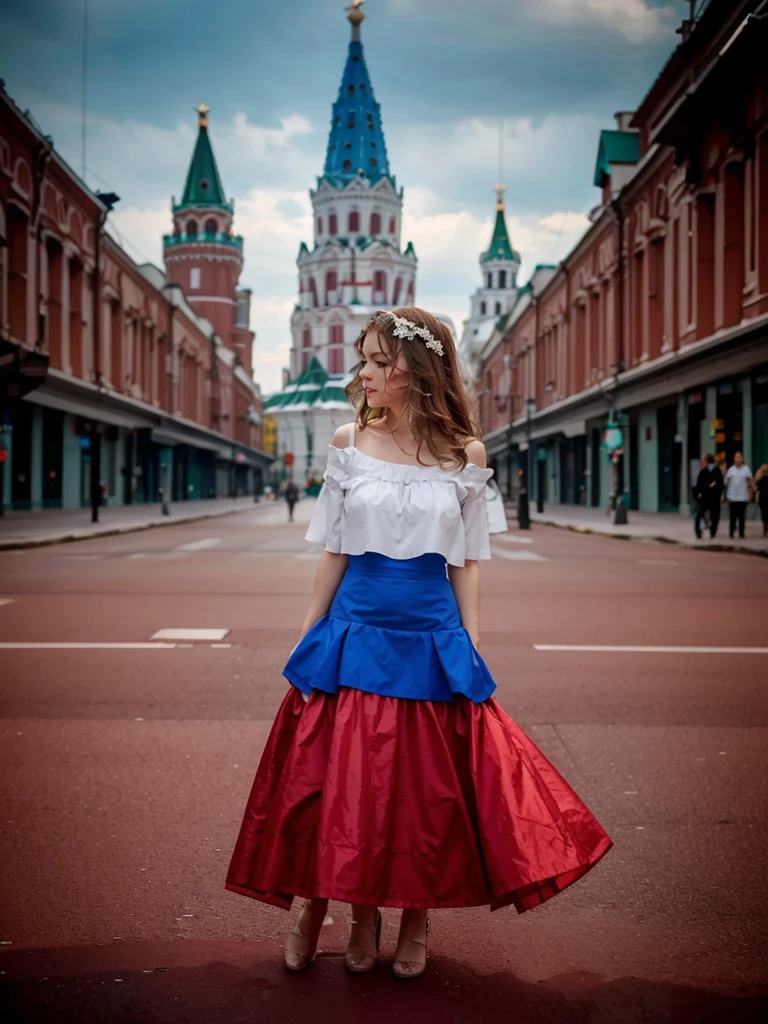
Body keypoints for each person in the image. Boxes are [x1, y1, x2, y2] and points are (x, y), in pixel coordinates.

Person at [224, 307, 613, 981]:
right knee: (337, 785)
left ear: (418, 370)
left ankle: (414, 916)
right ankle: (342, 910)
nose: (364, 374)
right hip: (354, 629)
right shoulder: (348, 442)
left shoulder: (466, 454)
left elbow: (466, 559)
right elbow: (335, 550)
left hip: (429, 632)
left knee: (420, 792)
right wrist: (312, 631)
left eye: (379, 362)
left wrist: (471, 639)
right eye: (363, 361)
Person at [724, 451, 754, 539]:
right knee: (732, 516)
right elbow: (726, 481)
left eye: (739, 457)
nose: (738, 459)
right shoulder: (731, 469)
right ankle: (731, 532)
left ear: (742, 459)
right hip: (732, 497)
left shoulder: (746, 469)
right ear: (734, 459)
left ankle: (741, 532)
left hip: (742, 497)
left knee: (741, 517)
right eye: (736, 458)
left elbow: (750, 480)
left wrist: (753, 489)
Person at [693, 454, 723, 539]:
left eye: (704, 460)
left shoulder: (709, 470)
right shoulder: (712, 470)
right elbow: (720, 483)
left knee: (700, 515)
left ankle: (700, 532)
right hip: (711, 498)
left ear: (706, 461)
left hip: (707, 497)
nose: (703, 462)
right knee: (713, 515)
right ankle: (710, 532)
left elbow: (699, 485)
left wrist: (699, 495)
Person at [755, 464, 768, 538]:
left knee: (764, 514)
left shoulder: (759, 480)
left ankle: (764, 530)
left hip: (762, 498)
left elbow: (756, 489)